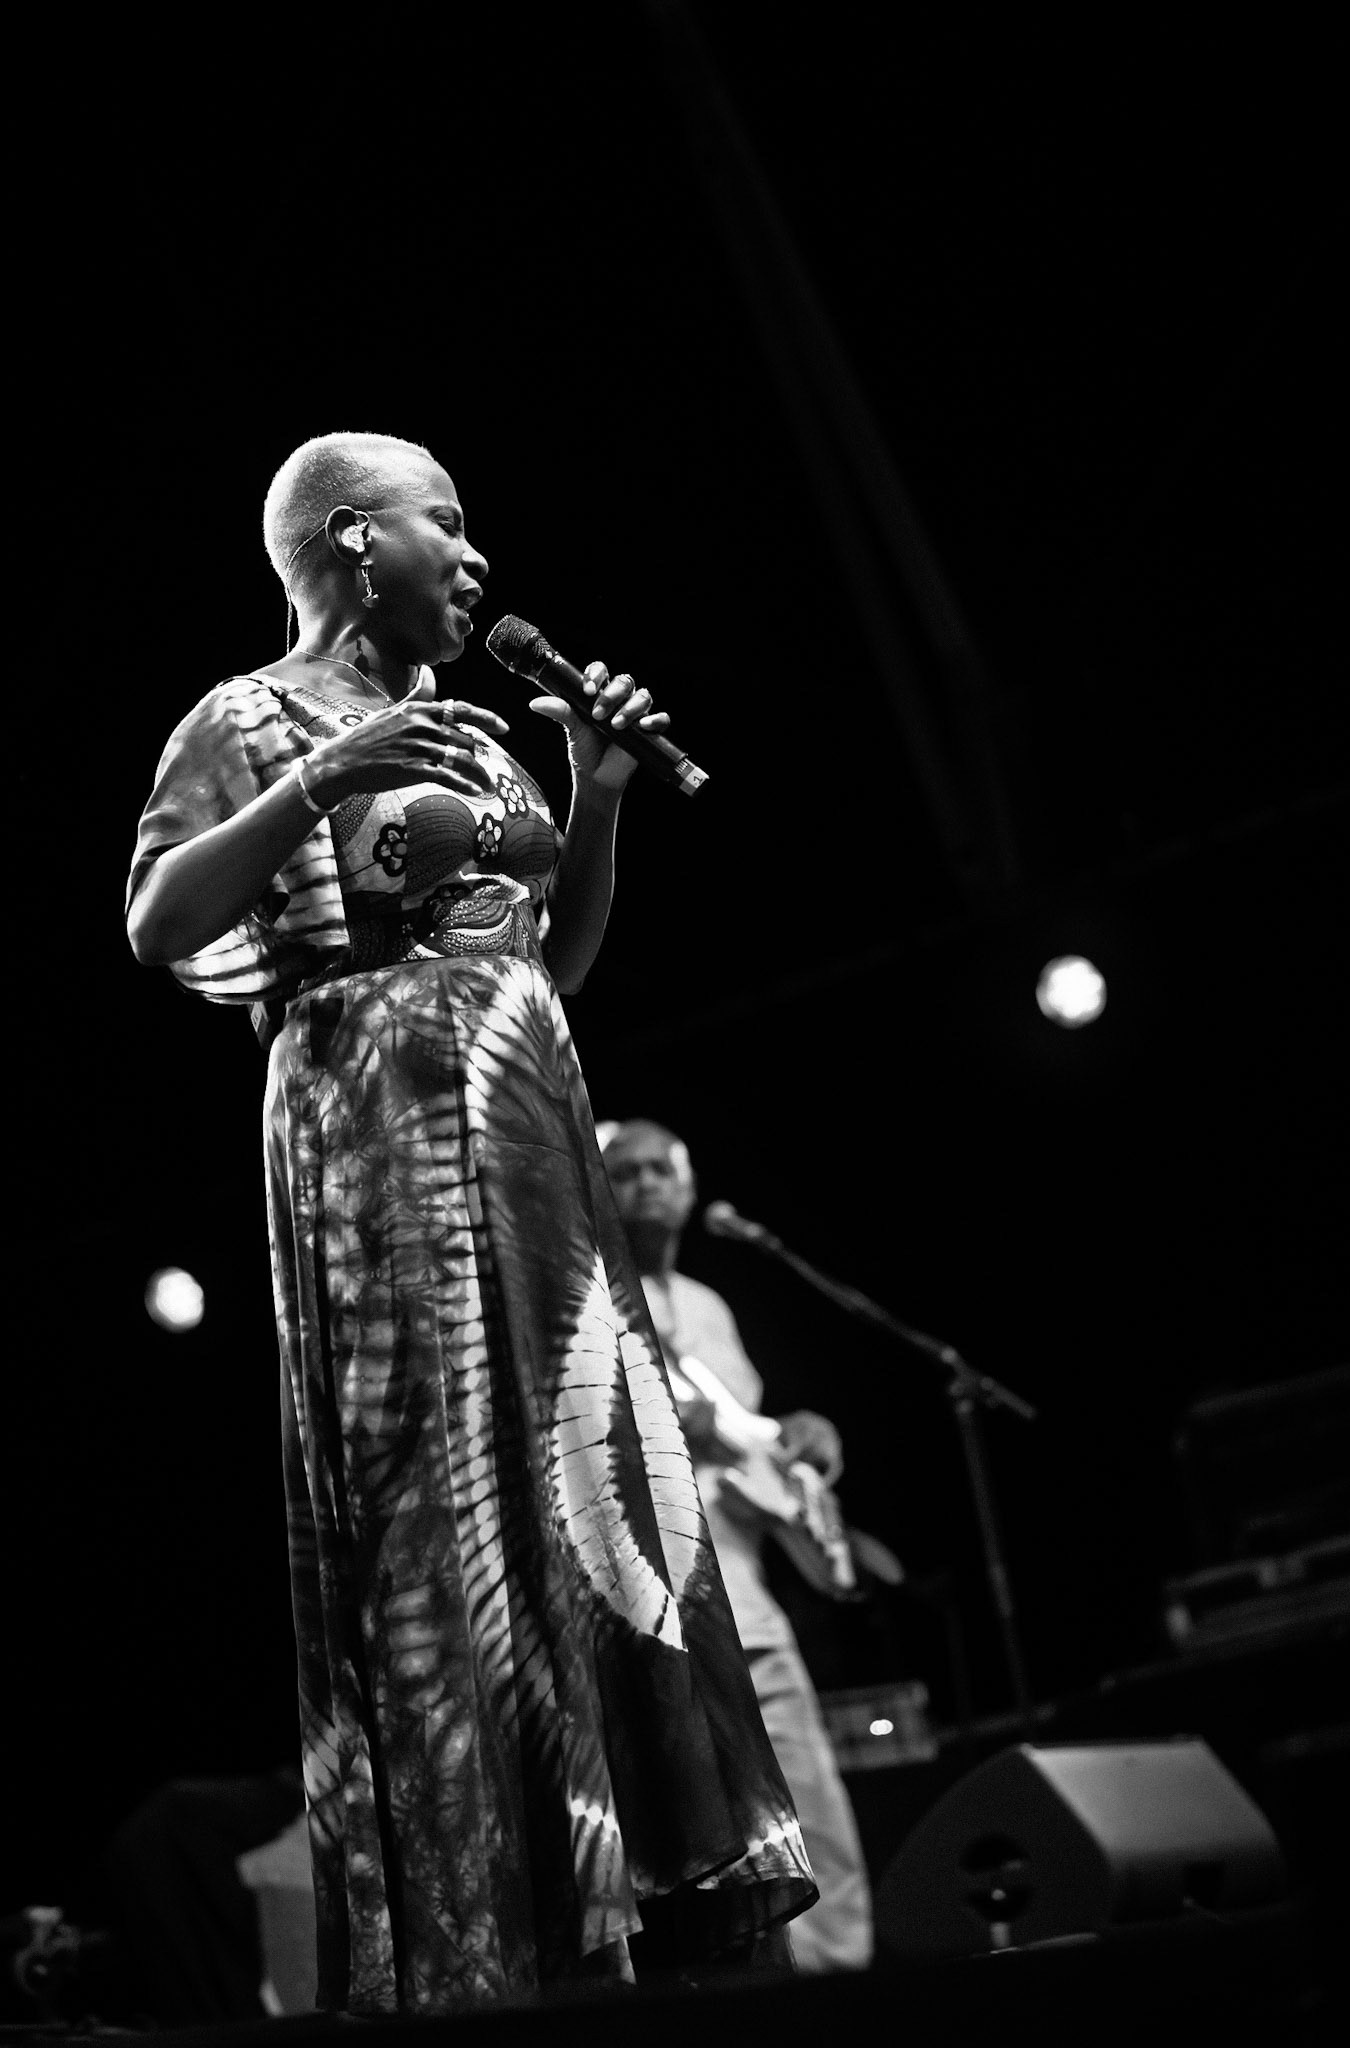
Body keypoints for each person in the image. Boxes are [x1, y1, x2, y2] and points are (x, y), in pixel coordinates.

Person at [125, 431, 815, 2015]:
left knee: (578, 1488)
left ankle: (620, 1883)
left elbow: (545, 964)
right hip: (377, 1140)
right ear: (356, 543)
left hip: (527, 1137)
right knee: (449, 1504)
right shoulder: (250, 716)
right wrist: (323, 779)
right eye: (449, 521)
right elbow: (159, 920)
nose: (477, 555)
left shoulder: (481, 734)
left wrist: (598, 786)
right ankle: (488, 1919)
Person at [597, 1120, 875, 1972]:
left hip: (756, 1598)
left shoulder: (710, 1308)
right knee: (732, 1846)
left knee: (821, 1822)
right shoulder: (593, 1298)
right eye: (626, 1171)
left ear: (686, 1186)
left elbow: (751, 1437)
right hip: (676, 1607)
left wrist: (799, 1436)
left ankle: (849, 1993)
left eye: (661, 1169)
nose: (646, 1183)